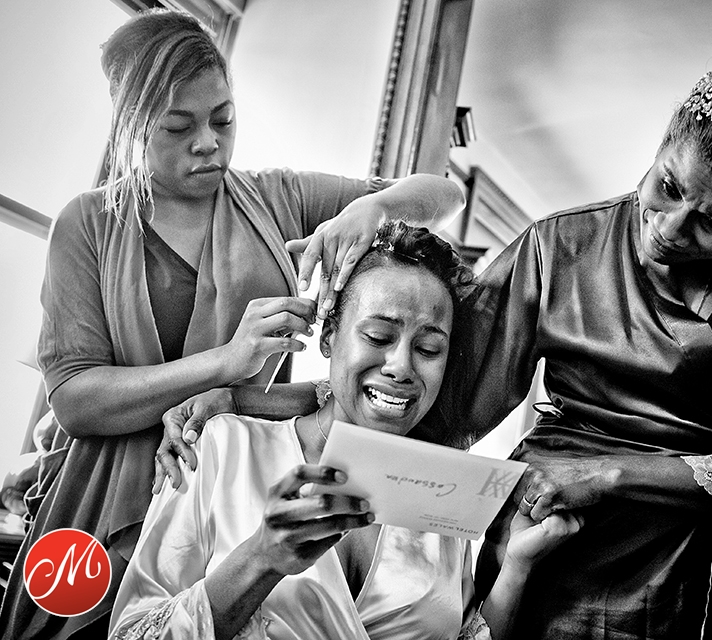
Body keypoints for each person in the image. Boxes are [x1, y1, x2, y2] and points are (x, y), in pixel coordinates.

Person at [159, 37, 712, 639]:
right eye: (667, 186)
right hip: (555, 539)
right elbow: (426, 383)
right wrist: (244, 401)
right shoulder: (559, 248)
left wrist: (610, 473)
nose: (670, 229)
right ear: (665, 141)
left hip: (710, 568)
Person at [0, 9, 464, 639]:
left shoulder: (278, 199)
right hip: (105, 500)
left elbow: (444, 194)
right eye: (179, 127)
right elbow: (76, 401)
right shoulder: (87, 225)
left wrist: (376, 207)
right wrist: (224, 363)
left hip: (223, 484)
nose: (209, 144)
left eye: (223, 119)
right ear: (132, 125)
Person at [109, 221, 582, 640]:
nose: (401, 366)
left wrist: (516, 566)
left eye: (429, 349)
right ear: (330, 336)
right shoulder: (221, 446)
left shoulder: (441, 493)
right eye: (378, 337)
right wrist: (260, 559)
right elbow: (132, 632)